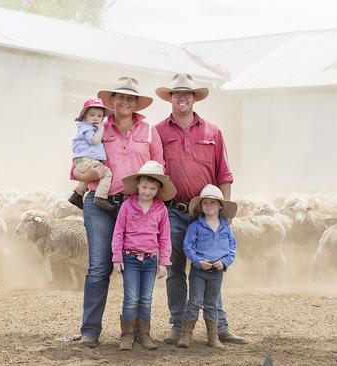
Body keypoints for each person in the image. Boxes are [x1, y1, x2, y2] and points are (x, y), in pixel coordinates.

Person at [154, 73, 248, 344]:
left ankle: (219, 326)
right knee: (174, 269)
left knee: (211, 267)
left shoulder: (213, 131)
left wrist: (224, 214)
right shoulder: (158, 131)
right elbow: (153, 173)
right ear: (169, 98)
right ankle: (178, 324)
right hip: (173, 210)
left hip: (206, 212)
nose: (182, 97)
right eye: (177, 93)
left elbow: (224, 173)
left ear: (195, 98)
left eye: (188, 93)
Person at [76, 76, 164, 348]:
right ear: (111, 101)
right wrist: (83, 172)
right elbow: (77, 161)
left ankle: (135, 331)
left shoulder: (149, 131)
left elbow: (159, 166)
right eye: (119, 97)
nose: (124, 101)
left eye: (129, 98)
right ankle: (90, 331)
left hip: (136, 206)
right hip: (100, 203)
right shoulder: (97, 128)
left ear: (137, 103)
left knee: (139, 265)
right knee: (99, 267)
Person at [111, 160, 176, 351]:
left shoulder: (161, 210)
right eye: (144, 187)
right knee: (131, 297)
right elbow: (118, 232)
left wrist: (164, 262)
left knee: (146, 298)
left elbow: (165, 237)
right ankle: (127, 335)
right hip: (130, 257)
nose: (147, 191)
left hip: (150, 260)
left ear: (158, 190)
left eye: (152, 188)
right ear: (138, 186)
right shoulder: (127, 206)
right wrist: (117, 257)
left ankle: (144, 334)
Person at [177, 184, 238, 350]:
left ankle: (213, 337)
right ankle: (185, 335)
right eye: (205, 203)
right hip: (199, 271)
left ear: (220, 205)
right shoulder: (195, 226)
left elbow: (232, 248)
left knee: (211, 304)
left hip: (217, 272)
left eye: (213, 202)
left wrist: (224, 262)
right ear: (201, 206)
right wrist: (197, 262)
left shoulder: (226, 228)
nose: (209, 205)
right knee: (195, 301)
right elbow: (187, 246)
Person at [68, 98, 115, 212]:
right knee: (106, 173)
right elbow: (94, 141)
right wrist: (101, 129)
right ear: (85, 116)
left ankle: (77, 194)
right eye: (92, 115)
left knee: (90, 175)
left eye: (99, 116)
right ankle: (100, 197)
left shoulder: (86, 127)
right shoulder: (87, 128)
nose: (96, 118)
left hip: (81, 160)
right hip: (85, 159)